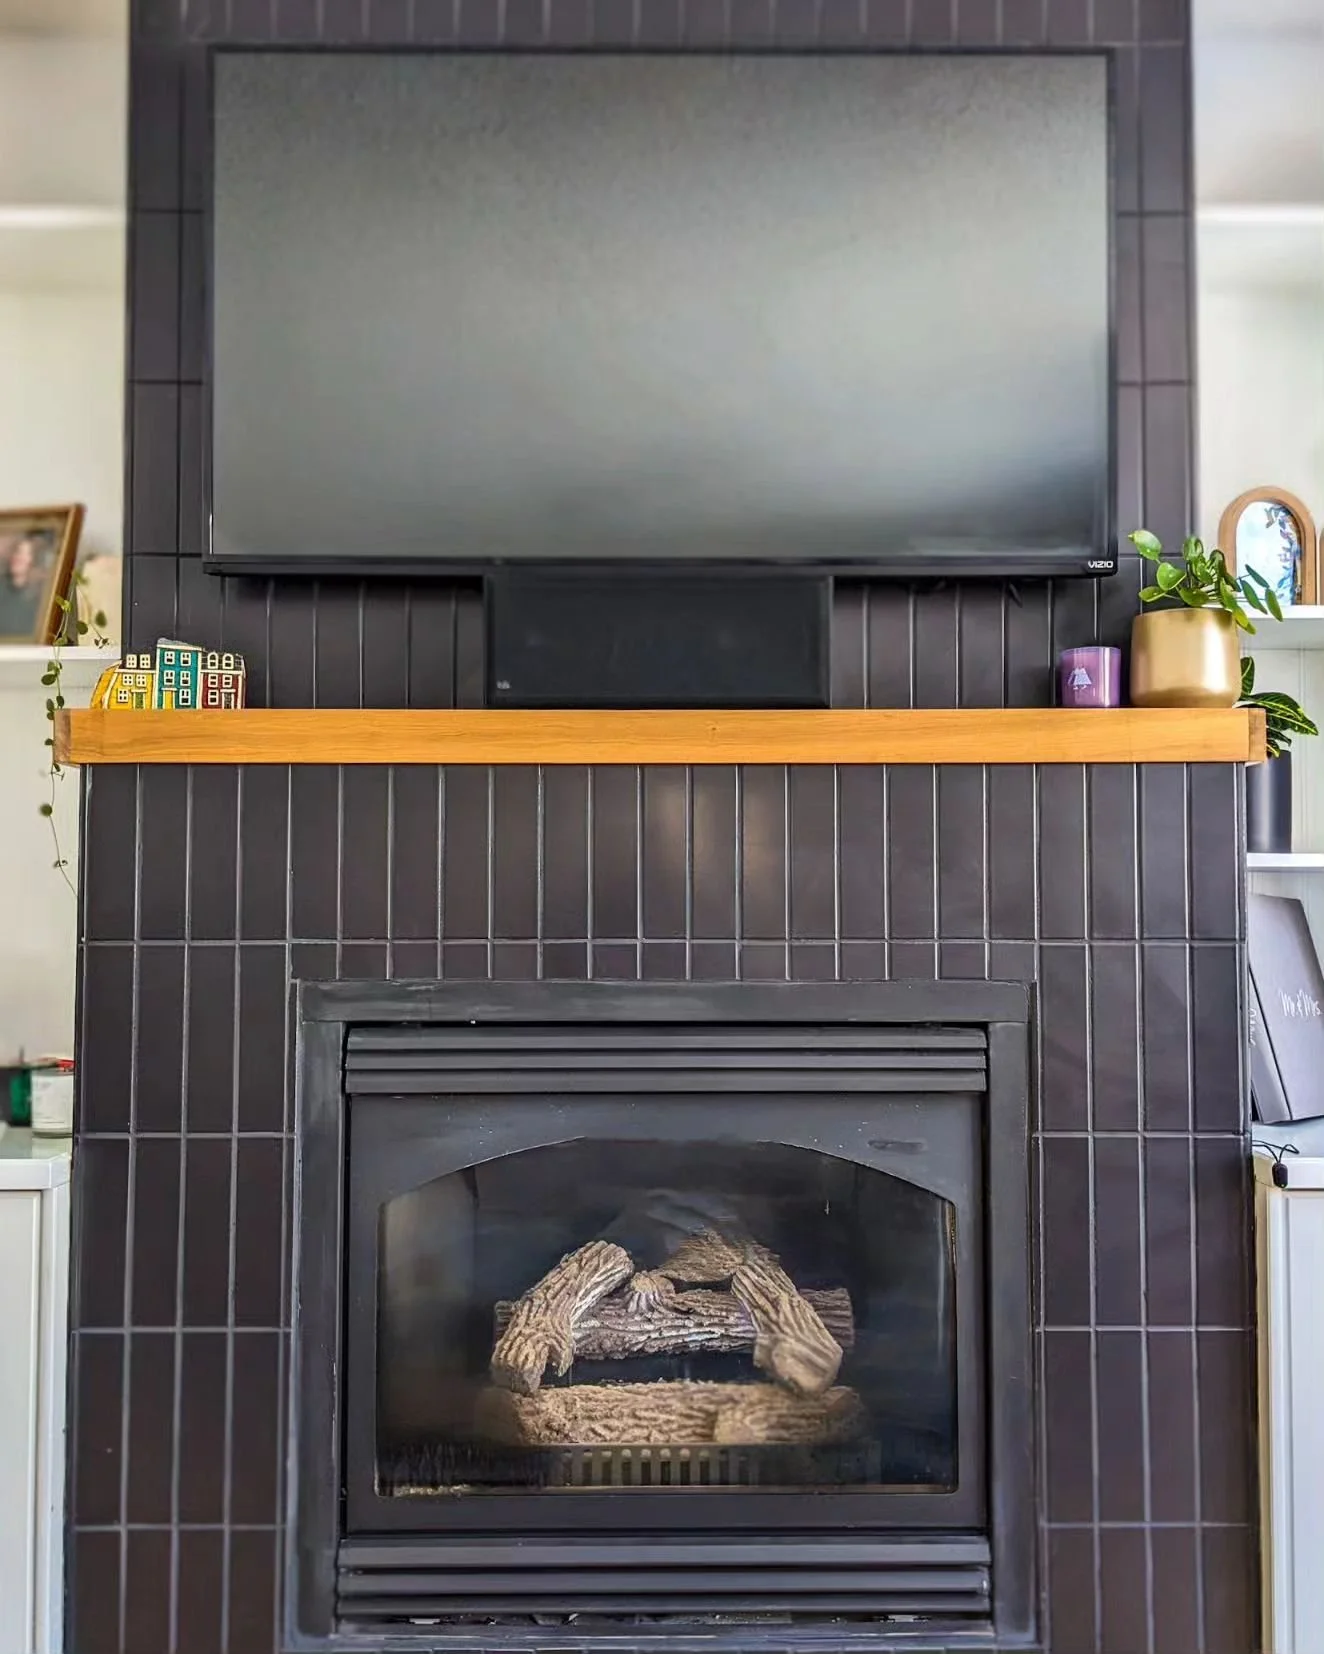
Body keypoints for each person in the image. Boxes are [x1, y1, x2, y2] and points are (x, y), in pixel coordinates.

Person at [0, 528, 55, 640]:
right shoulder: (3, 589)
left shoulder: (41, 598)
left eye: (27, 553)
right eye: (18, 551)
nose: (18, 557)